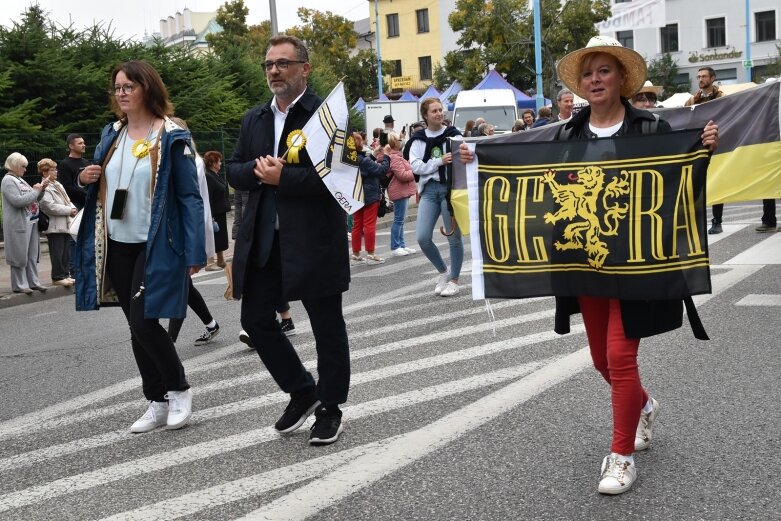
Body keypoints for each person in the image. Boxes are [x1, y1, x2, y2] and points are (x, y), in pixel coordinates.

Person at [460, 35, 719, 495]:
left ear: (621, 79)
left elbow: (677, 178)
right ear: (579, 85)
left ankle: (620, 456)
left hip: (638, 263)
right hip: (585, 261)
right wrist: (480, 159)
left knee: (620, 356)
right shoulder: (566, 134)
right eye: (588, 73)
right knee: (601, 358)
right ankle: (643, 406)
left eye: (604, 71)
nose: (595, 79)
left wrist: (703, 151)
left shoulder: (651, 129)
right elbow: (535, 178)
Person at [226, 34, 351, 446]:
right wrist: (259, 172)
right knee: (255, 320)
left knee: (326, 327)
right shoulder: (255, 118)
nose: (274, 71)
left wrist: (285, 178)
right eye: (269, 65)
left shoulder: (327, 114)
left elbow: (342, 176)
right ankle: (302, 390)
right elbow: (235, 169)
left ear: (305, 69)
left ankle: (330, 407)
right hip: (266, 238)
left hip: (313, 238)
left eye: (282, 63)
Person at [73, 60, 205, 433]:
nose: (122, 93)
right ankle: (156, 400)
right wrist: (86, 176)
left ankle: (179, 389)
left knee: (145, 322)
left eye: (129, 86)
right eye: (117, 87)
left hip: (156, 242)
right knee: (135, 326)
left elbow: (190, 197)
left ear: (147, 88)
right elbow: (97, 178)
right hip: (116, 242)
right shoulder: (111, 134)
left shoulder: (172, 135)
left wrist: (195, 250)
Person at [165, 119, 220, 347]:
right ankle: (211, 324)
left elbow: (192, 202)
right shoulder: (175, 158)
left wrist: (194, 241)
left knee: (179, 285)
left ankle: (168, 342)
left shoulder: (191, 160)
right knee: (183, 285)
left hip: (184, 231)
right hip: (172, 230)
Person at [408, 97, 463, 297]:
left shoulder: (454, 135)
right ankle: (443, 271)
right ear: (425, 115)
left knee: (453, 238)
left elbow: (465, 157)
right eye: (434, 111)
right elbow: (415, 166)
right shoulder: (417, 139)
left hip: (450, 191)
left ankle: (455, 280)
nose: (439, 113)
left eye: (441, 110)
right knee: (422, 237)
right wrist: (439, 161)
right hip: (429, 191)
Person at [2, 152, 50, 294]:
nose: (25, 169)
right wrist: (36, 191)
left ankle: (33, 282)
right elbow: (18, 201)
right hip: (19, 224)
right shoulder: (8, 180)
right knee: (19, 255)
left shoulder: (20, 180)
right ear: (15, 165)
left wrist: (42, 189)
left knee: (32, 254)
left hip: (31, 222)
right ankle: (19, 285)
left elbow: (33, 198)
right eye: (23, 166)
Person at [685, 67, 725, 234]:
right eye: (699, 76)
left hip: (718, 145)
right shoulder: (692, 100)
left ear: (713, 78)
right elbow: (685, 118)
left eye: (704, 76)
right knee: (696, 183)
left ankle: (717, 221)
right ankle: (695, 221)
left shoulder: (722, 98)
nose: (700, 79)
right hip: (699, 146)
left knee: (718, 183)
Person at [351, 132, 391, 264]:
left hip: (356, 194)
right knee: (369, 225)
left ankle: (356, 253)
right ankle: (371, 253)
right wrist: (386, 155)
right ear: (359, 144)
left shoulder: (350, 159)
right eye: (361, 141)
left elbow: (367, 166)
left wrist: (374, 154)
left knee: (357, 225)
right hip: (369, 195)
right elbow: (381, 170)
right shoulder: (364, 160)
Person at [37, 158, 77, 287]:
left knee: (65, 251)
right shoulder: (45, 187)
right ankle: (57, 276)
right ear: (44, 172)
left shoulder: (57, 184)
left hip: (64, 223)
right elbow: (49, 206)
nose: (56, 172)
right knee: (57, 252)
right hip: (54, 225)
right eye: (53, 170)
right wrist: (68, 210)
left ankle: (65, 274)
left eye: (55, 169)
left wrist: (72, 207)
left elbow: (66, 199)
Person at [384, 131, 417, 257]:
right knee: (398, 220)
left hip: (402, 190)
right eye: (399, 139)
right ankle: (395, 246)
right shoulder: (395, 158)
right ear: (394, 143)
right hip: (399, 191)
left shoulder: (398, 156)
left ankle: (401, 245)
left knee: (401, 220)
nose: (401, 141)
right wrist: (415, 171)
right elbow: (402, 175)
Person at [203, 150, 230, 271]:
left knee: (220, 238)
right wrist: (211, 216)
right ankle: (209, 263)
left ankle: (220, 260)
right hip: (214, 212)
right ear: (213, 163)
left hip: (220, 211)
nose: (220, 164)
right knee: (212, 237)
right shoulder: (208, 176)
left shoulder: (215, 175)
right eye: (219, 161)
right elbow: (208, 197)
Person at [58, 134, 89, 210]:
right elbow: (67, 187)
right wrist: (87, 193)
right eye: (80, 143)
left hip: (89, 201)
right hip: (76, 204)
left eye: (83, 143)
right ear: (71, 146)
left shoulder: (86, 162)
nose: (83, 145)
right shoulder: (65, 164)